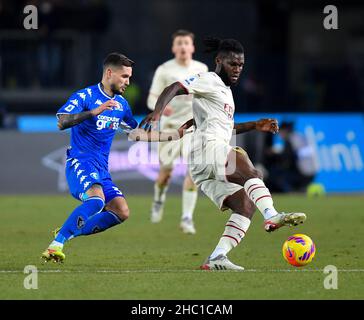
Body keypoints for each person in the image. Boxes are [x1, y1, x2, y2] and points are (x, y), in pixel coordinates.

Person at [140, 37, 307, 271]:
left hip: (203, 165)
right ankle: (271, 214)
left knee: (245, 205)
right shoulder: (209, 79)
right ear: (219, 61)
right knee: (247, 166)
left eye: (240, 65)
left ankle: (217, 257)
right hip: (206, 150)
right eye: (232, 64)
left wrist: (255, 125)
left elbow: (226, 127)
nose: (237, 69)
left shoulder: (226, 92)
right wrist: (157, 114)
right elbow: (174, 87)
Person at [41, 52, 191, 263]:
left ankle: (69, 230)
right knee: (96, 200)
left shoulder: (121, 105)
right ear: (109, 73)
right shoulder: (85, 96)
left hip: (102, 169)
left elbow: (136, 134)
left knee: (121, 211)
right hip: (80, 162)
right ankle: (55, 245)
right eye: (124, 77)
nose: (128, 82)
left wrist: (174, 135)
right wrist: (93, 112)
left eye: (129, 77)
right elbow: (62, 122)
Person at [147, 29, 208, 234]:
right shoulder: (164, 70)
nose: (183, 46)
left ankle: (187, 218)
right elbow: (151, 99)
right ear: (174, 47)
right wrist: (162, 108)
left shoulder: (202, 69)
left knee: (193, 171)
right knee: (166, 173)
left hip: (193, 128)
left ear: (192, 47)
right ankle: (158, 200)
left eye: (186, 43)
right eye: (179, 43)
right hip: (170, 129)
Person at [264, 121, 316, 192]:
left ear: (285, 131)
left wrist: (274, 154)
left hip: (303, 173)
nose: (280, 135)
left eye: (280, 132)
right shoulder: (298, 136)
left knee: (278, 176)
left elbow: (287, 158)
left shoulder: (290, 140)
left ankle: (292, 193)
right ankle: (299, 189)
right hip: (312, 172)